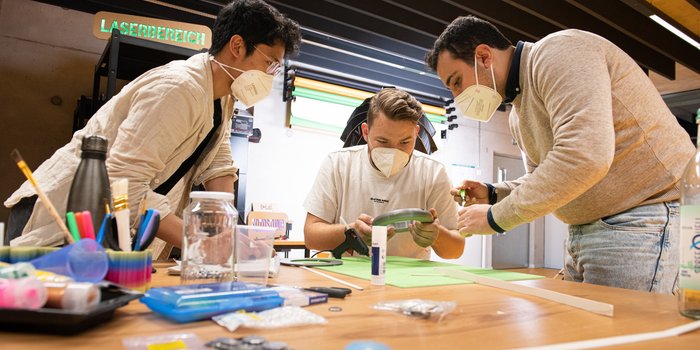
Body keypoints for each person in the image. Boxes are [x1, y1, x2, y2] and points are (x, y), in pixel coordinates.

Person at [4, 0, 301, 259]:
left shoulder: (222, 97)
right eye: (270, 64)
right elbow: (123, 184)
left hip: (99, 226)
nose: (271, 76)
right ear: (237, 46)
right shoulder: (179, 89)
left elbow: (219, 164)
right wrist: (208, 241)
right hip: (61, 218)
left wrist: (230, 230)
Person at [425, 15, 694, 293]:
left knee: (621, 332)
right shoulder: (517, 112)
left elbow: (585, 156)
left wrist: (495, 217)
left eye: (457, 82)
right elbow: (546, 178)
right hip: (586, 231)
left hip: (641, 218)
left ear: (483, 56)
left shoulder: (559, 53)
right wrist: (494, 193)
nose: (457, 97)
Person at [303, 88, 464, 259]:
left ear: (416, 134)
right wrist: (350, 232)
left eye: (404, 142)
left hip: (410, 280)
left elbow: (456, 249)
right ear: (366, 132)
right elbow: (311, 236)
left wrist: (437, 235)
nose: (394, 152)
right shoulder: (338, 164)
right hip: (348, 278)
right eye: (383, 141)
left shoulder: (433, 172)